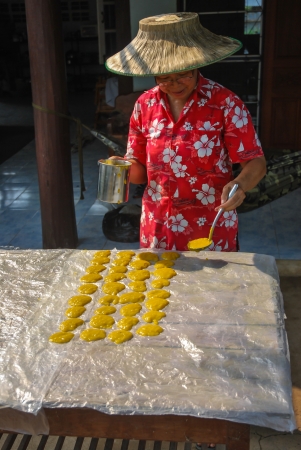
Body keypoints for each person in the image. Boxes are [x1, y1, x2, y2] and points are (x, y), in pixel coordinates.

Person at [105, 12, 266, 252]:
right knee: (160, 287)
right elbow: (140, 173)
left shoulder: (225, 103)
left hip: (209, 225)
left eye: (183, 75)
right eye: (165, 78)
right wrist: (122, 168)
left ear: (196, 65)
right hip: (158, 224)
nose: (175, 84)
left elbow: (255, 162)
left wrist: (239, 186)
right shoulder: (144, 105)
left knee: (213, 289)